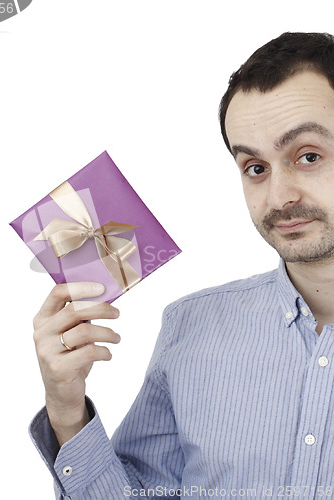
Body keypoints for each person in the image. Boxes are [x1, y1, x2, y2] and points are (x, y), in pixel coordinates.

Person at [30, 32, 334, 499]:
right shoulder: (190, 327)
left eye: (308, 156)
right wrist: (66, 411)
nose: (279, 197)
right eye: (255, 167)